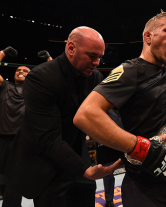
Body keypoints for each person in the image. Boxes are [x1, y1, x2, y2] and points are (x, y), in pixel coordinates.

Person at [74, 0, 166, 207]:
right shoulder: (130, 70)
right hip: (145, 182)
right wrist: (138, 146)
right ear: (148, 37)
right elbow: (85, 114)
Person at [3, 27, 122, 207]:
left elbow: (110, 112)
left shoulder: (94, 76)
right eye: (92, 55)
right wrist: (85, 170)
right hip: (45, 165)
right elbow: (48, 139)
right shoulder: (40, 78)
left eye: (100, 57)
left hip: (77, 157)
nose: (97, 62)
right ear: (71, 48)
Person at [0, 46, 30, 200]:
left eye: (25, 71)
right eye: (18, 70)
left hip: (24, 141)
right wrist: (2, 54)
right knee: (3, 180)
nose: (21, 71)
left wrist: (49, 61)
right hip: (3, 140)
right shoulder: (4, 86)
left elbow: (59, 81)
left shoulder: (35, 91)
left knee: (17, 181)